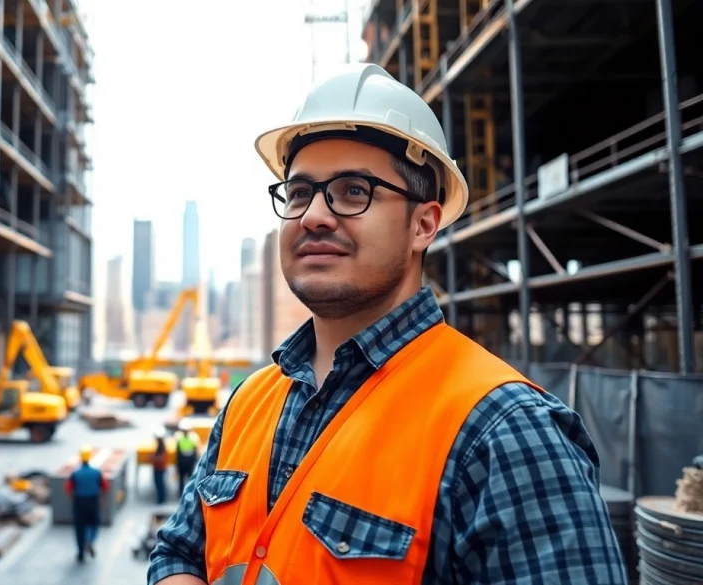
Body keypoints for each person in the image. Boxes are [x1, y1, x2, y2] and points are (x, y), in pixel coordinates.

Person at [148, 64, 627, 584]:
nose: (313, 215)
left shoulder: (504, 430)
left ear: (424, 225)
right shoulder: (249, 402)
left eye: (354, 191)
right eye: (299, 193)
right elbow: (178, 552)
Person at [65, 445, 108, 563]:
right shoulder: (96, 472)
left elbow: (68, 488)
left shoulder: (75, 473)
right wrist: (102, 500)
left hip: (79, 502)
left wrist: (75, 498)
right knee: (94, 524)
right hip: (93, 501)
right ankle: (90, 540)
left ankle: (80, 553)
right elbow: (104, 487)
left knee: (80, 528)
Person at [174, 422, 200, 495]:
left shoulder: (179, 436)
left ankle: (184, 492)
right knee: (186, 478)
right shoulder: (193, 436)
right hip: (185, 459)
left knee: (186, 478)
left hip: (185, 460)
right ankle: (186, 492)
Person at [150, 431, 169, 505]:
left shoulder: (162, 447)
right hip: (158, 467)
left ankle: (161, 499)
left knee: (160, 484)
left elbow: (161, 458)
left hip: (160, 468)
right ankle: (160, 498)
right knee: (159, 484)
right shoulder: (160, 446)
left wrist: (153, 458)